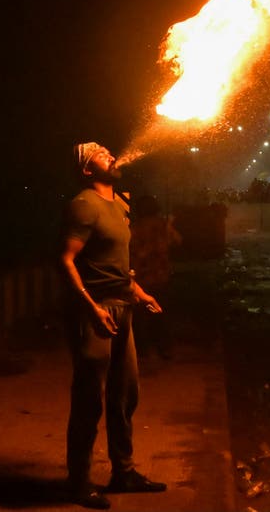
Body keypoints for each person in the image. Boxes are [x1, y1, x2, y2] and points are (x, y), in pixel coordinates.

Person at [59, 142, 167, 509]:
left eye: (107, 149)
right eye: (99, 153)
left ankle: (124, 472)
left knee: (124, 396)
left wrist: (139, 292)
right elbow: (66, 260)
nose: (109, 153)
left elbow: (115, 263)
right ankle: (78, 482)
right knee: (89, 400)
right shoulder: (83, 205)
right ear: (87, 170)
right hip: (97, 311)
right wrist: (91, 309)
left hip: (124, 307)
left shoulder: (119, 203)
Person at [128, 195, 181, 359]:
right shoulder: (163, 225)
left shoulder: (135, 228)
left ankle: (143, 351)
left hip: (142, 277)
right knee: (161, 313)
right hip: (161, 275)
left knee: (140, 316)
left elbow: (129, 249)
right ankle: (164, 348)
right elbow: (178, 241)